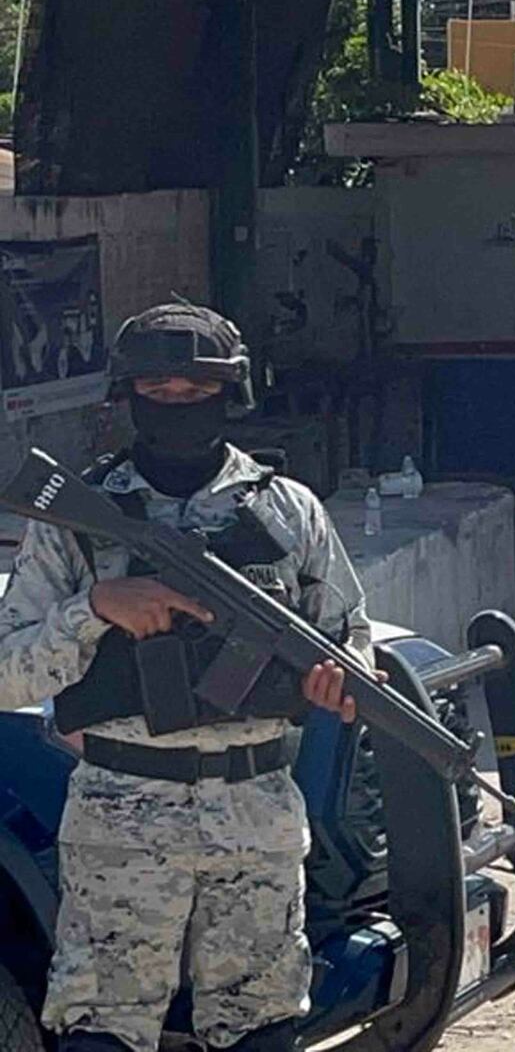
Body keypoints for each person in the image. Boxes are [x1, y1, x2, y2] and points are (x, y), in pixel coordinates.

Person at [0, 301, 371, 1052]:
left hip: (256, 819)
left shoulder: (287, 511)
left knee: (262, 1029)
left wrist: (342, 683)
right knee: (102, 1033)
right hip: (121, 823)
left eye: (197, 390)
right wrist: (97, 608)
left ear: (231, 394)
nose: (176, 403)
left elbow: (351, 637)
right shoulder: (79, 516)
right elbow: (8, 676)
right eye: (157, 390)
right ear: (127, 395)